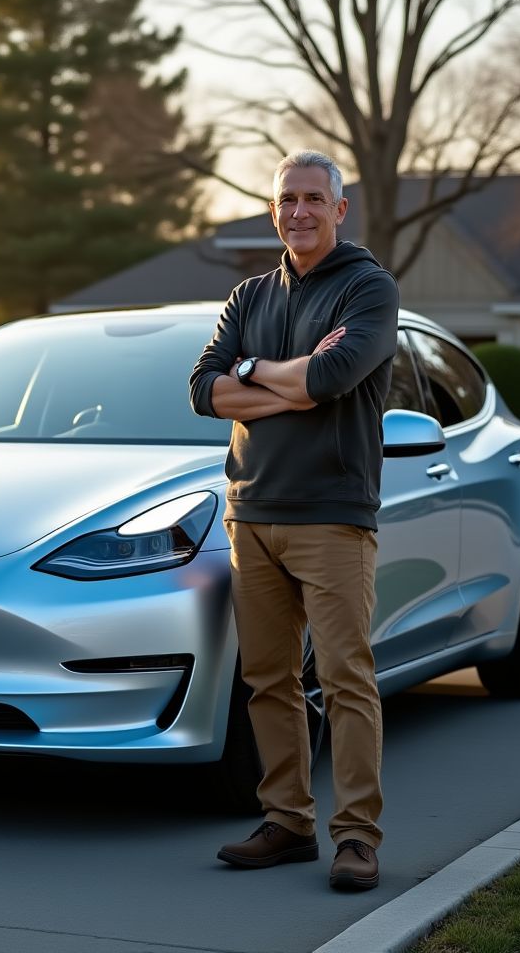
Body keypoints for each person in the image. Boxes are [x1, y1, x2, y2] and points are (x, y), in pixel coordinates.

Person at [189, 149, 399, 891]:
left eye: (314, 199)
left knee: (345, 679)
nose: (299, 212)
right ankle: (287, 822)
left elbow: (332, 376)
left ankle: (357, 836)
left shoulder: (368, 288)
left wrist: (255, 373)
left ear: (339, 209)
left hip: (333, 515)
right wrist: (282, 380)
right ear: (273, 210)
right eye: (287, 200)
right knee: (268, 680)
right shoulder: (249, 295)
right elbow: (204, 389)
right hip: (251, 514)